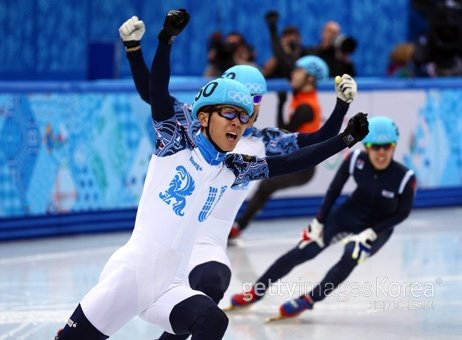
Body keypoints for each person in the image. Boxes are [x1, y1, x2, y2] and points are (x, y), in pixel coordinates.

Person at [55, 8, 369, 339]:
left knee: (212, 316)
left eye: (248, 109)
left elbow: (297, 159)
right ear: (206, 115)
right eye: (230, 111)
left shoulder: (237, 165)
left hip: (173, 281)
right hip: (133, 274)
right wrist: (161, 41)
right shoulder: (178, 138)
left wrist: (346, 136)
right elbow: (156, 94)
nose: (239, 119)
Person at [228, 116, 417, 320]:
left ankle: (309, 300)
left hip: (379, 226)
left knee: (352, 254)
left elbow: (402, 213)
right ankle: (256, 291)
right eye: (375, 146)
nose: (381, 153)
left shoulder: (405, 177)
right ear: (367, 147)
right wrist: (319, 221)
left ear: (394, 147)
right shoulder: (355, 160)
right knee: (304, 249)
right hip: (350, 214)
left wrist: (372, 232)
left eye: (387, 147)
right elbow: (334, 190)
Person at [230, 56, 357, 239]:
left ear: (310, 79)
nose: (292, 73)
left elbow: (288, 133)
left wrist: (341, 108)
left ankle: (238, 226)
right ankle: (237, 226)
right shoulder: (302, 98)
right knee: (263, 183)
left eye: (298, 71)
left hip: (302, 164)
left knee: (265, 184)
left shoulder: (306, 106)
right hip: (300, 159)